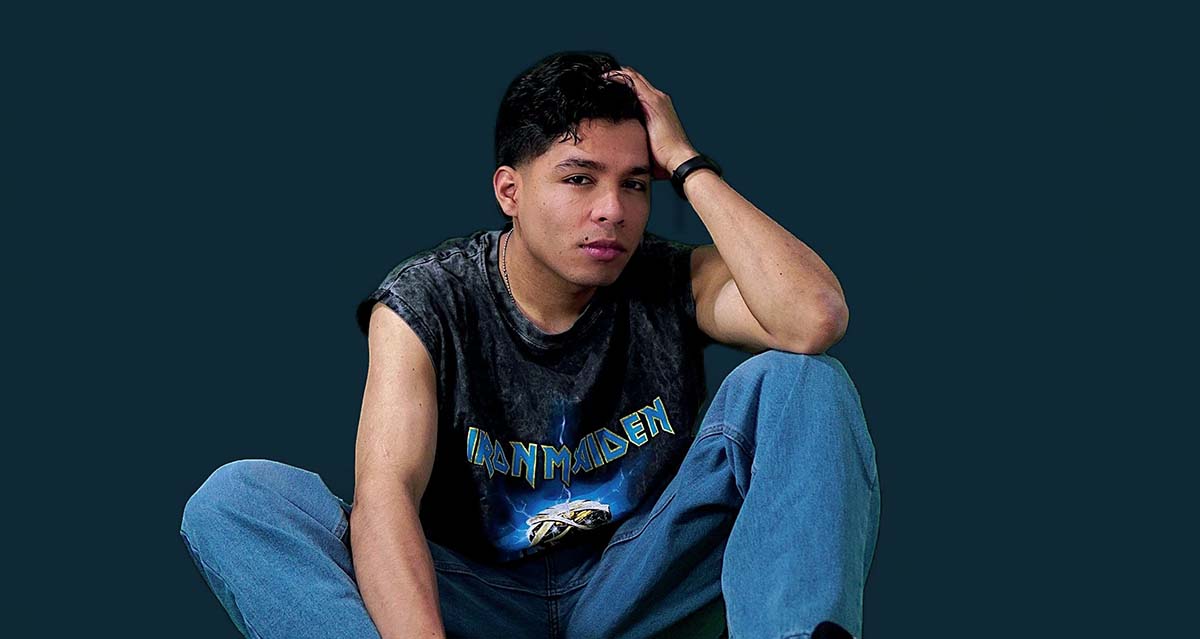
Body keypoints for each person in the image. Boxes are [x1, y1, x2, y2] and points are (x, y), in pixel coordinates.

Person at [180, 50, 879, 639]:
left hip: (634, 587)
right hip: (474, 597)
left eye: (636, 184)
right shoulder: (428, 301)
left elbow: (813, 318)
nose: (612, 210)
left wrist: (687, 163)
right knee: (238, 500)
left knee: (803, 381)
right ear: (509, 191)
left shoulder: (673, 280)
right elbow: (386, 498)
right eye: (579, 179)